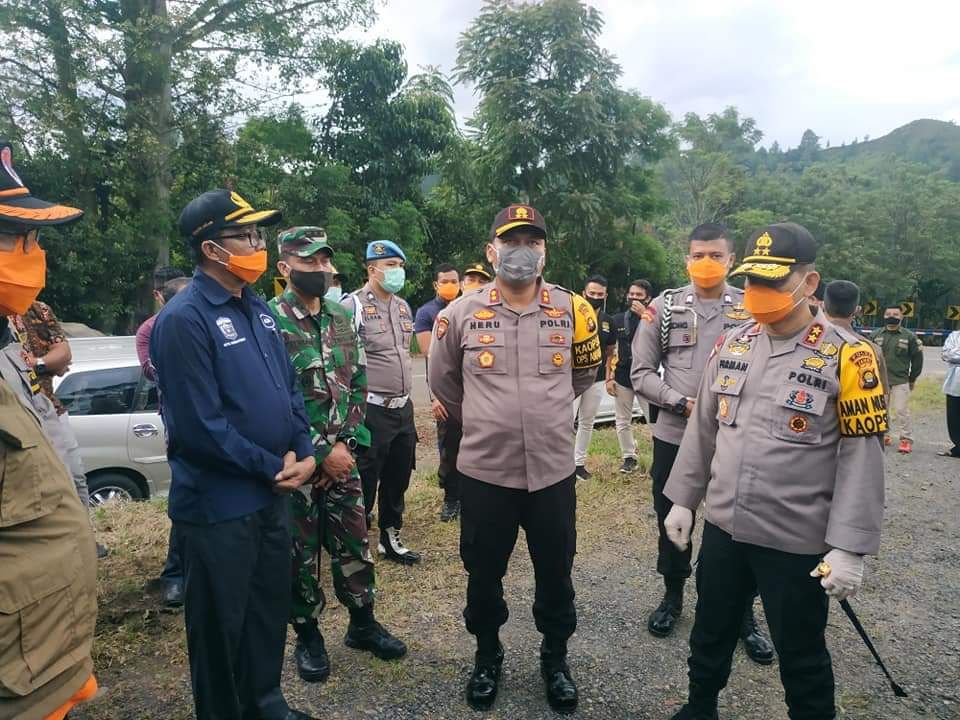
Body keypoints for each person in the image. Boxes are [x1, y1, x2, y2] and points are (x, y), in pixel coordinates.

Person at [663, 222, 888, 720]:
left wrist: (849, 546)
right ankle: (699, 708)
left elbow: (861, 458)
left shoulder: (849, 357)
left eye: (773, 281)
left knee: (801, 652)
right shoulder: (734, 344)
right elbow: (704, 430)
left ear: (809, 283)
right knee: (710, 631)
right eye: (752, 281)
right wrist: (683, 499)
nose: (758, 292)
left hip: (796, 540)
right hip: (725, 527)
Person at [151, 189, 318, 720]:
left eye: (257, 234)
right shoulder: (185, 319)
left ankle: (265, 702)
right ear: (211, 249)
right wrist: (273, 466)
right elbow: (200, 428)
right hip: (219, 506)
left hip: (272, 496)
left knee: (267, 608)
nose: (256, 244)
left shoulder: (258, 309)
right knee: (220, 628)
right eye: (244, 235)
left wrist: (304, 449)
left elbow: (288, 390)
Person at [429, 204, 602, 714]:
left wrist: (540, 414)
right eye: (511, 241)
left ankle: (556, 659)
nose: (522, 251)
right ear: (492, 251)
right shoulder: (459, 314)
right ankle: (487, 656)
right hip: (486, 472)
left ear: (545, 251)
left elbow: (583, 375)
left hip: (552, 471)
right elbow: (444, 383)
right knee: (483, 573)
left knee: (556, 571)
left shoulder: (575, 310)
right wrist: (492, 421)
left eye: (533, 241)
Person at [269, 226, 406, 685]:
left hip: (344, 459)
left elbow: (357, 383)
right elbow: (274, 400)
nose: (322, 269)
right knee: (300, 556)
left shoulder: (340, 315)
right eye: (310, 261)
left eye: (325, 260)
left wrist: (345, 445)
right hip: (298, 465)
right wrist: (320, 452)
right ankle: (308, 636)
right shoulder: (269, 323)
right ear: (285, 267)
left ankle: (362, 625)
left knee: (355, 544)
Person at [631, 223, 773, 664]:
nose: (706, 263)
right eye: (698, 255)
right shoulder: (665, 308)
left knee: (741, 525)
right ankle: (673, 594)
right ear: (686, 259)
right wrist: (680, 402)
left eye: (715, 255)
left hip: (737, 439)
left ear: (731, 260)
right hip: (676, 434)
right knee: (673, 517)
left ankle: (744, 614)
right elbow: (640, 372)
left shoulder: (753, 306)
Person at [0, 141, 99, 720]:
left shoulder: (16, 325)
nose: (33, 253)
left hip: (42, 668)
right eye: (16, 236)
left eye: (35, 237)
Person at [343, 240, 421, 564]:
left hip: (403, 408)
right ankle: (355, 542)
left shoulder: (402, 307)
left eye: (400, 266)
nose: (397, 271)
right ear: (372, 269)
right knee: (365, 478)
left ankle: (390, 537)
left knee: (399, 476)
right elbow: (342, 361)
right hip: (371, 409)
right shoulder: (353, 305)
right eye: (390, 265)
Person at [11, 299, 109, 558]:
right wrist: (45, 362)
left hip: (49, 406)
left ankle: (83, 539)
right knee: (39, 485)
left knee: (74, 477)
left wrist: (36, 363)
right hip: (15, 415)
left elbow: (63, 354)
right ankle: (56, 547)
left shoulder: (37, 309)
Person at [136, 274, 191, 608]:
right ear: (163, 301)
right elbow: (151, 370)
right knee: (185, 495)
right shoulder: (150, 330)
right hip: (181, 423)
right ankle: (175, 575)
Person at [415, 263, 463, 521]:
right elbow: (429, 355)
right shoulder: (427, 313)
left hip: (474, 392)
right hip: (445, 394)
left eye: (454, 281)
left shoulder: (470, 308)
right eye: (444, 281)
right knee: (449, 448)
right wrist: (435, 397)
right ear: (436, 284)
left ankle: (471, 495)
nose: (450, 285)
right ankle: (451, 498)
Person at [573, 274, 618, 479]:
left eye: (600, 294)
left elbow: (610, 351)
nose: (596, 297)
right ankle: (561, 464)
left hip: (597, 379)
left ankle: (578, 464)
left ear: (605, 296)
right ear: (584, 293)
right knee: (564, 422)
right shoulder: (572, 316)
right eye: (592, 293)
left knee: (587, 422)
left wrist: (609, 376)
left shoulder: (609, 321)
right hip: (572, 378)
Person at [607, 279, 652, 473]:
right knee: (622, 420)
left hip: (647, 376)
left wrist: (645, 315)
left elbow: (661, 340)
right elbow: (611, 352)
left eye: (639, 295)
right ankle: (629, 458)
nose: (634, 298)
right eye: (631, 294)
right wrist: (609, 377)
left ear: (648, 298)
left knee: (655, 420)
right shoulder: (617, 319)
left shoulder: (655, 318)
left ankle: (662, 458)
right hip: (622, 376)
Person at [823, 280, 890, 398]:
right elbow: (882, 396)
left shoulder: (804, 342)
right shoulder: (872, 349)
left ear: (823, 305)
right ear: (856, 310)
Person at [874, 306, 923, 453]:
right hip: (879, 380)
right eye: (888, 313)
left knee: (901, 411)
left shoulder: (910, 337)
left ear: (902, 317)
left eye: (895, 314)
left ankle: (905, 439)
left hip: (901, 380)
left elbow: (917, 360)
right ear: (884, 316)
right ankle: (885, 435)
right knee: (881, 409)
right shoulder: (875, 335)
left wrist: (912, 379)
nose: (891, 316)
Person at [940, 329, 960, 459]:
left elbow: (952, 354)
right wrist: (952, 355)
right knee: (953, 418)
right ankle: (958, 448)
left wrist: (955, 353)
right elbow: (946, 354)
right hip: (954, 383)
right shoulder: (954, 335)